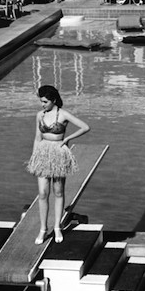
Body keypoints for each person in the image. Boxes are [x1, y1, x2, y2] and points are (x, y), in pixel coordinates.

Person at [26, 84, 90, 244]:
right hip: (42, 152)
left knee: (58, 191)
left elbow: (85, 127)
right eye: (41, 101)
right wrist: (34, 158)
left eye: (45, 101)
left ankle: (57, 227)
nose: (42, 105)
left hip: (58, 153)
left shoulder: (63, 114)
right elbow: (37, 137)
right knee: (42, 193)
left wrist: (67, 139)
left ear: (54, 100)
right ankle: (43, 228)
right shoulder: (39, 115)